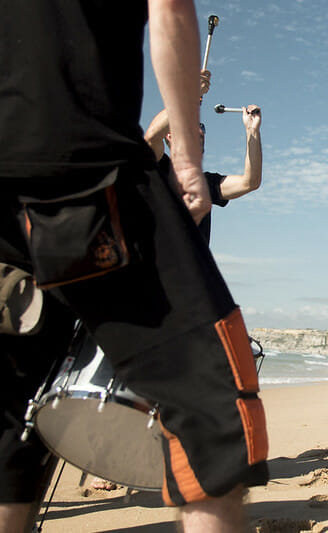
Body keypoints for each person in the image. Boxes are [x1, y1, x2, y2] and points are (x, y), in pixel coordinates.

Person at [0, 2, 269, 532]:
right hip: (84, 172)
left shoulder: (211, 180)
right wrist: (184, 141)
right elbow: (170, 13)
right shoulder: (162, 164)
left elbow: (247, 181)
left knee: (13, 418)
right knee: (214, 412)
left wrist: (238, 133)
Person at [144, 71, 263, 244]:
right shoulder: (157, 170)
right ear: (169, 135)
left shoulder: (205, 183)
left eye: (201, 127)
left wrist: (252, 131)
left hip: (193, 271)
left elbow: (250, 182)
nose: (199, 131)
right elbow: (152, 137)